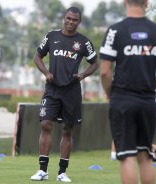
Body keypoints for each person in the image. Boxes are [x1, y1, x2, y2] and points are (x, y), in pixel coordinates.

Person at [100, 0, 156, 183]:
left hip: (122, 99)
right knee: (145, 156)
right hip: (148, 101)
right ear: (147, 3)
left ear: (125, 2)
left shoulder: (115, 31)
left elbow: (104, 72)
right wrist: (151, 86)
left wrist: (111, 94)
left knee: (127, 156)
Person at [30, 6, 98, 182]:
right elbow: (37, 56)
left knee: (67, 130)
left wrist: (83, 74)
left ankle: (62, 172)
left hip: (72, 92)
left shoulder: (83, 42)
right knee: (45, 124)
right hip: (52, 90)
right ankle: (42, 170)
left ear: (79, 21)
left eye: (75, 20)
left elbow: (95, 63)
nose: (71, 22)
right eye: (68, 18)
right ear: (64, 18)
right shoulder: (52, 36)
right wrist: (46, 73)